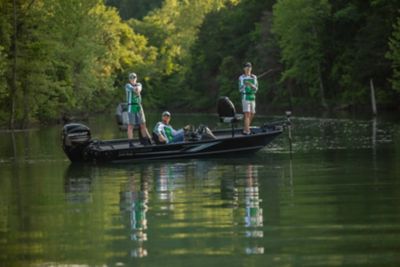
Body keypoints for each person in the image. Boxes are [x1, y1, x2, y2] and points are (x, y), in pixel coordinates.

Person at [125, 72, 152, 144]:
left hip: (139, 106)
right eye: (131, 78)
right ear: (129, 79)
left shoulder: (139, 84)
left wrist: (136, 89)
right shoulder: (127, 85)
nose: (133, 79)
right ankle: (130, 143)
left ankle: (145, 141)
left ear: (136, 78)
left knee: (143, 124)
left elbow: (138, 89)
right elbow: (135, 90)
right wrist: (136, 89)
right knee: (131, 125)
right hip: (131, 106)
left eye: (134, 77)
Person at [238, 62, 258, 135]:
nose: (248, 68)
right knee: (247, 114)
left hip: (252, 97)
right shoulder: (241, 77)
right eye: (246, 67)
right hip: (245, 96)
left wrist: (251, 84)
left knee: (252, 113)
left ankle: (245, 128)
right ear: (244, 69)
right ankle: (247, 131)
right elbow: (240, 89)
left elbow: (256, 89)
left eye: (249, 67)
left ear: (251, 68)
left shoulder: (254, 77)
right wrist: (245, 85)